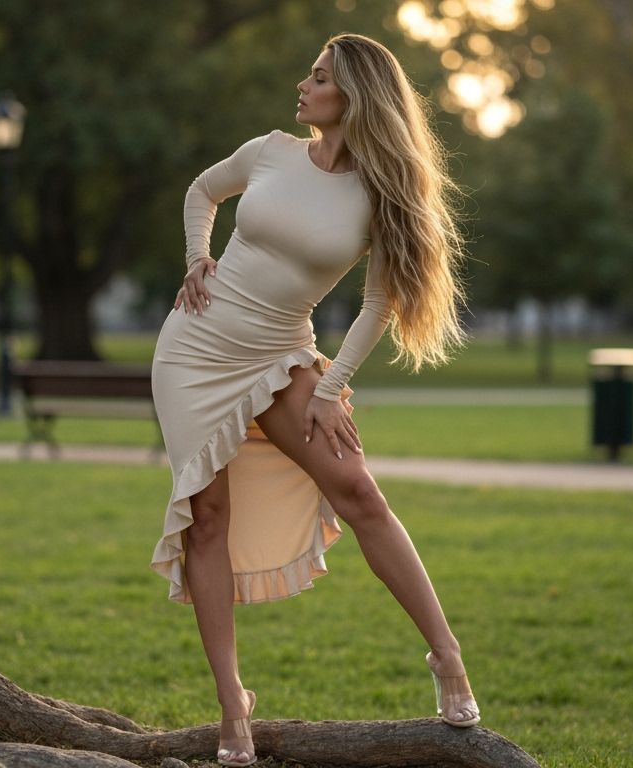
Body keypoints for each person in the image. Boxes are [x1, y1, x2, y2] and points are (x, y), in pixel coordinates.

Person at [149, 33, 478, 767]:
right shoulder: (269, 149)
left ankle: (446, 655)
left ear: (353, 97)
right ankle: (233, 705)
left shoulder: (382, 191)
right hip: (194, 348)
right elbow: (203, 190)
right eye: (310, 74)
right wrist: (196, 257)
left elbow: (376, 306)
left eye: (320, 77)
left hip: (281, 352)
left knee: (358, 488)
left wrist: (329, 391)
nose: (304, 85)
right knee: (207, 519)